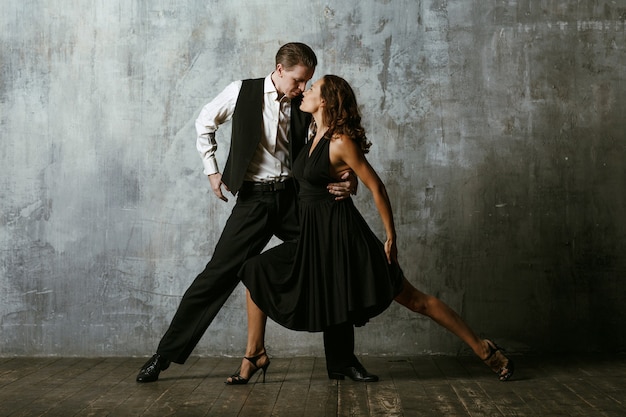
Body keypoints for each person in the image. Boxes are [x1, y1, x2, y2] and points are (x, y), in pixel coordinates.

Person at [227, 75, 514, 384]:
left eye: (312, 88)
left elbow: (376, 187)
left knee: (416, 300)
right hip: (315, 241)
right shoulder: (313, 131)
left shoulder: (340, 141)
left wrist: (391, 237)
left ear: (324, 101)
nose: (305, 91)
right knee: (255, 269)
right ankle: (255, 354)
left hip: (346, 241)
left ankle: (484, 349)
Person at [137, 43, 378, 383]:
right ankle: (163, 355)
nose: (302, 88)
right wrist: (212, 171)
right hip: (254, 200)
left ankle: (341, 361)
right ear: (279, 69)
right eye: (297, 80)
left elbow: (333, 142)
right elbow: (205, 121)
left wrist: (349, 177)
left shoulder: (305, 104)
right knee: (218, 274)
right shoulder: (242, 92)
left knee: (330, 259)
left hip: (295, 200)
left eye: (307, 82)